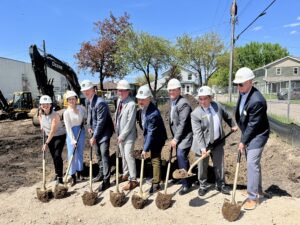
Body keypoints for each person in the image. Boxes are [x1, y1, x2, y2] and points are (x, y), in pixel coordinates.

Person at [191, 86, 238, 197]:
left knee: (219, 164)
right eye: (200, 99)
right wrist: (203, 149)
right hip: (202, 144)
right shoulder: (195, 114)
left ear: (211, 98)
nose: (202, 101)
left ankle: (220, 184)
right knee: (202, 166)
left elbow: (227, 116)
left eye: (205, 98)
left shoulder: (217, 106)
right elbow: (198, 133)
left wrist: (233, 125)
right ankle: (203, 185)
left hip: (217, 142)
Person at [233, 67, 270, 210]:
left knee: (251, 163)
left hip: (258, 134)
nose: (238, 87)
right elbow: (244, 116)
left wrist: (243, 141)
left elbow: (253, 125)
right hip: (249, 132)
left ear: (250, 82)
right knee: (253, 163)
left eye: (241, 84)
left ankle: (253, 198)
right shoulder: (243, 92)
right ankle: (258, 189)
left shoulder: (257, 101)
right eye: (237, 84)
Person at [80, 80, 114, 192]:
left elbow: (101, 122)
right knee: (98, 154)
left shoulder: (100, 103)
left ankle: (106, 180)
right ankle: (100, 173)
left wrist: (94, 136)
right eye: (84, 91)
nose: (86, 92)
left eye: (88, 90)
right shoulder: (87, 101)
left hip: (104, 132)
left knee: (104, 154)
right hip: (95, 131)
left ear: (93, 90)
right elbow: (90, 115)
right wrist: (89, 126)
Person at [136, 86, 167, 193]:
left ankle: (156, 183)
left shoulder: (153, 114)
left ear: (149, 98)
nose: (140, 101)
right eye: (139, 99)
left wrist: (145, 149)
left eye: (143, 99)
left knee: (155, 159)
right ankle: (154, 176)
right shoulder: (143, 109)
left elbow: (151, 133)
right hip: (151, 136)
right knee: (152, 158)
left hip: (157, 138)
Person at [167, 78, 193, 195]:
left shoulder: (184, 104)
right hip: (179, 135)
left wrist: (176, 139)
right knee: (181, 157)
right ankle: (186, 178)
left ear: (179, 90)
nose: (171, 92)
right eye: (169, 90)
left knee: (181, 155)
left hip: (186, 135)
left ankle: (186, 184)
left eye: (173, 90)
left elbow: (183, 123)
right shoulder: (173, 101)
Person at [114, 80, 138, 191]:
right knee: (123, 155)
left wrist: (122, 135)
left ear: (128, 91)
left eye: (123, 90)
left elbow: (130, 122)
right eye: (119, 90)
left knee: (128, 155)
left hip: (128, 135)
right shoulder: (119, 101)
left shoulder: (132, 104)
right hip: (120, 134)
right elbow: (117, 116)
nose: (121, 92)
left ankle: (133, 180)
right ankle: (125, 174)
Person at [39, 95, 66, 184]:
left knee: (57, 155)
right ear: (41, 105)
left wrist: (46, 143)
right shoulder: (40, 112)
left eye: (47, 104)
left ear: (50, 105)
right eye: (43, 104)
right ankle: (57, 173)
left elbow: (53, 130)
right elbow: (40, 118)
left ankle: (60, 178)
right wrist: (41, 125)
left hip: (59, 135)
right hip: (49, 136)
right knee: (54, 156)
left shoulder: (55, 115)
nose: (45, 106)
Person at [63, 90, 87, 186]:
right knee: (71, 154)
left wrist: (84, 120)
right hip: (71, 133)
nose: (72, 101)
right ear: (67, 101)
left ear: (76, 99)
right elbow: (68, 127)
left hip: (81, 131)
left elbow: (86, 116)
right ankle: (72, 175)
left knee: (80, 152)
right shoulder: (66, 112)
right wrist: (72, 139)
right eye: (70, 99)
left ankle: (80, 172)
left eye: (73, 99)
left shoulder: (81, 108)